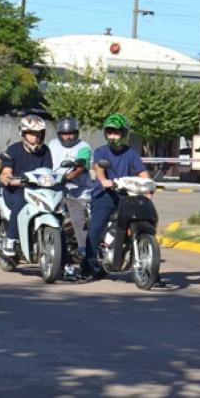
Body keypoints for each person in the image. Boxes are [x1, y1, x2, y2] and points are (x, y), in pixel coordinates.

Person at [86, 113, 150, 278]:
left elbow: (142, 172)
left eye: (116, 132)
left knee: (142, 218)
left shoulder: (131, 153)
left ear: (124, 133)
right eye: (110, 132)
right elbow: (99, 168)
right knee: (96, 226)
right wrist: (104, 180)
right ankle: (89, 262)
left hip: (126, 195)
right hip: (105, 194)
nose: (113, 136)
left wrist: (148, 188)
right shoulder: (101, 151)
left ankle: (149, 264)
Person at [0, 115, 52, 255]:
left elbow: (48, 172)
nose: (37, 137)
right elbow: (5, 173)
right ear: (23, 133)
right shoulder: (14, 150)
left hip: (38, 191)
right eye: (33, 133)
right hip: (15, 190)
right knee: (22, 201)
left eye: (39, 133)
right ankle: (11, 239)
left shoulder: (45, 151)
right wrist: (9, 179)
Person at [47, 117, 94, 279]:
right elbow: (46, 165)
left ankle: (83, 250)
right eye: (65, 134)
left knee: (78, 218)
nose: (68, 137)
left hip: (78, 191)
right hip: (55, 188)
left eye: (71, 133)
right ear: (59, 133)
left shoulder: (84, 147)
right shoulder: (52, 145)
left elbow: (81, 166)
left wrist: (69, 176)